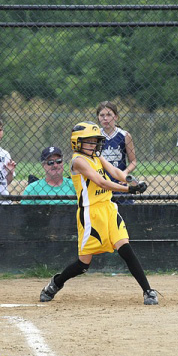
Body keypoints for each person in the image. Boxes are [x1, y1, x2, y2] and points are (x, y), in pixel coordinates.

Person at [39, 121, 158, 305]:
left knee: (125, 248)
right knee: (83, 265)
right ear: (77, 142)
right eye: (89, 141)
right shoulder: (78, 161)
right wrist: (127, 190)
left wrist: (131, 181)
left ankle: (148, 291)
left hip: (108, 209)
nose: (94, 144)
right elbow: (101, 182)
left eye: (95, 141)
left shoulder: (96, 157)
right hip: (90, 214)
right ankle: (56, 283)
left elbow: (115, 171)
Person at [96, 101, 137, 205]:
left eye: (109, 115)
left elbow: (133, 162)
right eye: (102, 115)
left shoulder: (124, 135)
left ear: (116, 117)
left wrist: (124, 174)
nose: (105, 118)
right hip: (101, 185)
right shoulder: (95, 136)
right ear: (98, 117)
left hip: (120, 183)